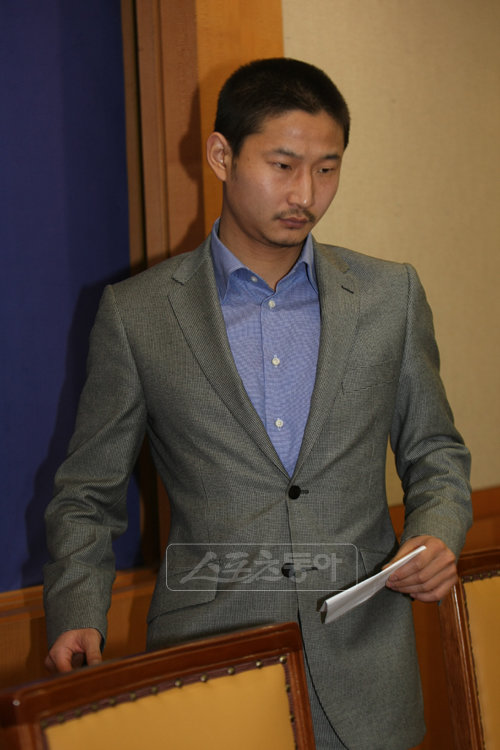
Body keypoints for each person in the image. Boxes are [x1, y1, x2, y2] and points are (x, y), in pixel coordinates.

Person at [43, 58, 471, 749]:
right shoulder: (137, 314)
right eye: (283, 165)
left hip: (367, 670)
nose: (306, 193)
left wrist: (438, 531)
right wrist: (76, 612)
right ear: (222, 156)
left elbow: (437, 452)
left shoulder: (389, 296)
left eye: (327, 168)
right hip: (210, 667)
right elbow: (86, 495)